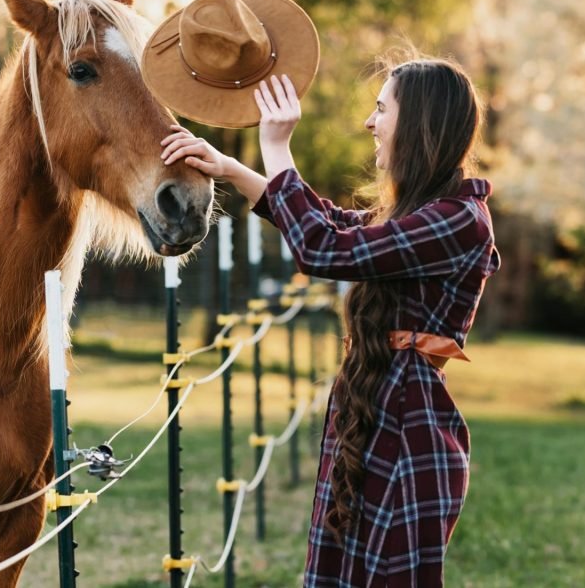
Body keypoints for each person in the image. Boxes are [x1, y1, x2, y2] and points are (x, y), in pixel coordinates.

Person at [158, 58, 501, 587]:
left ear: (419, 124)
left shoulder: (458, 220)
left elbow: (323, 248)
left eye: (382, 108)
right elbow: (334, 225)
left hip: (406, 434)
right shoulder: (424, 212)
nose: (369, 121)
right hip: (376, 415)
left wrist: (277, 148)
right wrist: (231, 168)